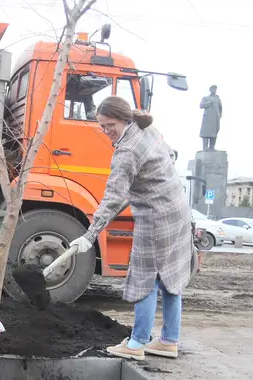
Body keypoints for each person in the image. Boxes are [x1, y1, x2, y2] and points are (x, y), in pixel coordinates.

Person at [69, 96, 192, 360]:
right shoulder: (147, 129)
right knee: (170, 278)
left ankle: (136, 344)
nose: (106, 131)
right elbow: (169, 156)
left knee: (144, 278)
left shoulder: (126, 151)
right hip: (177, 211)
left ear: (124, 118)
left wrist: (89, 236)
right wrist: (140, 185)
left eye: (110, 124)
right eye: (101, 126)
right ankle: (169, 341)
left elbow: (113, 197)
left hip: (156, 218)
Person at [199, 85, 222, 151]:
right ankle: (205, 147)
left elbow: (220, 109)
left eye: (215, 89)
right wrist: (209, 103)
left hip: (215, 118)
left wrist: (219, 116)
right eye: (213, 89)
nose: (214, 90)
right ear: (210, 90)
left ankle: (212, 147)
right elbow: (201, 105)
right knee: (206, 132)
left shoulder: (218, 99)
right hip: (207, 118)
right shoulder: (205, 98)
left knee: (214, 132)